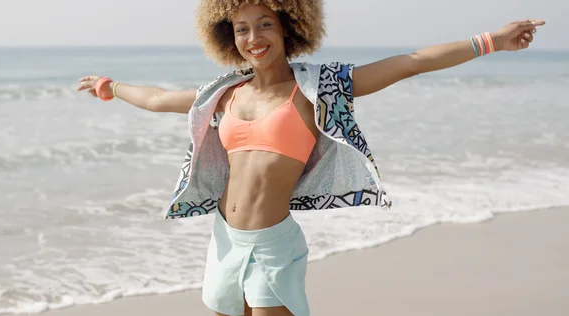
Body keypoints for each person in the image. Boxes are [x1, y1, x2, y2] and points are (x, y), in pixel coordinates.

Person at [77, 1, 545, 315]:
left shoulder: (318, 89)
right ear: (228, 37)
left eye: (265, 25)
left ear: (288, 28)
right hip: (222, 240)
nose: (254, 38)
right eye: (242, 29)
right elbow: (159, 99)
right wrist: (111, 87)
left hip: (273, 246)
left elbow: (412, 61)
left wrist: (491, 41)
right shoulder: (222, 95)